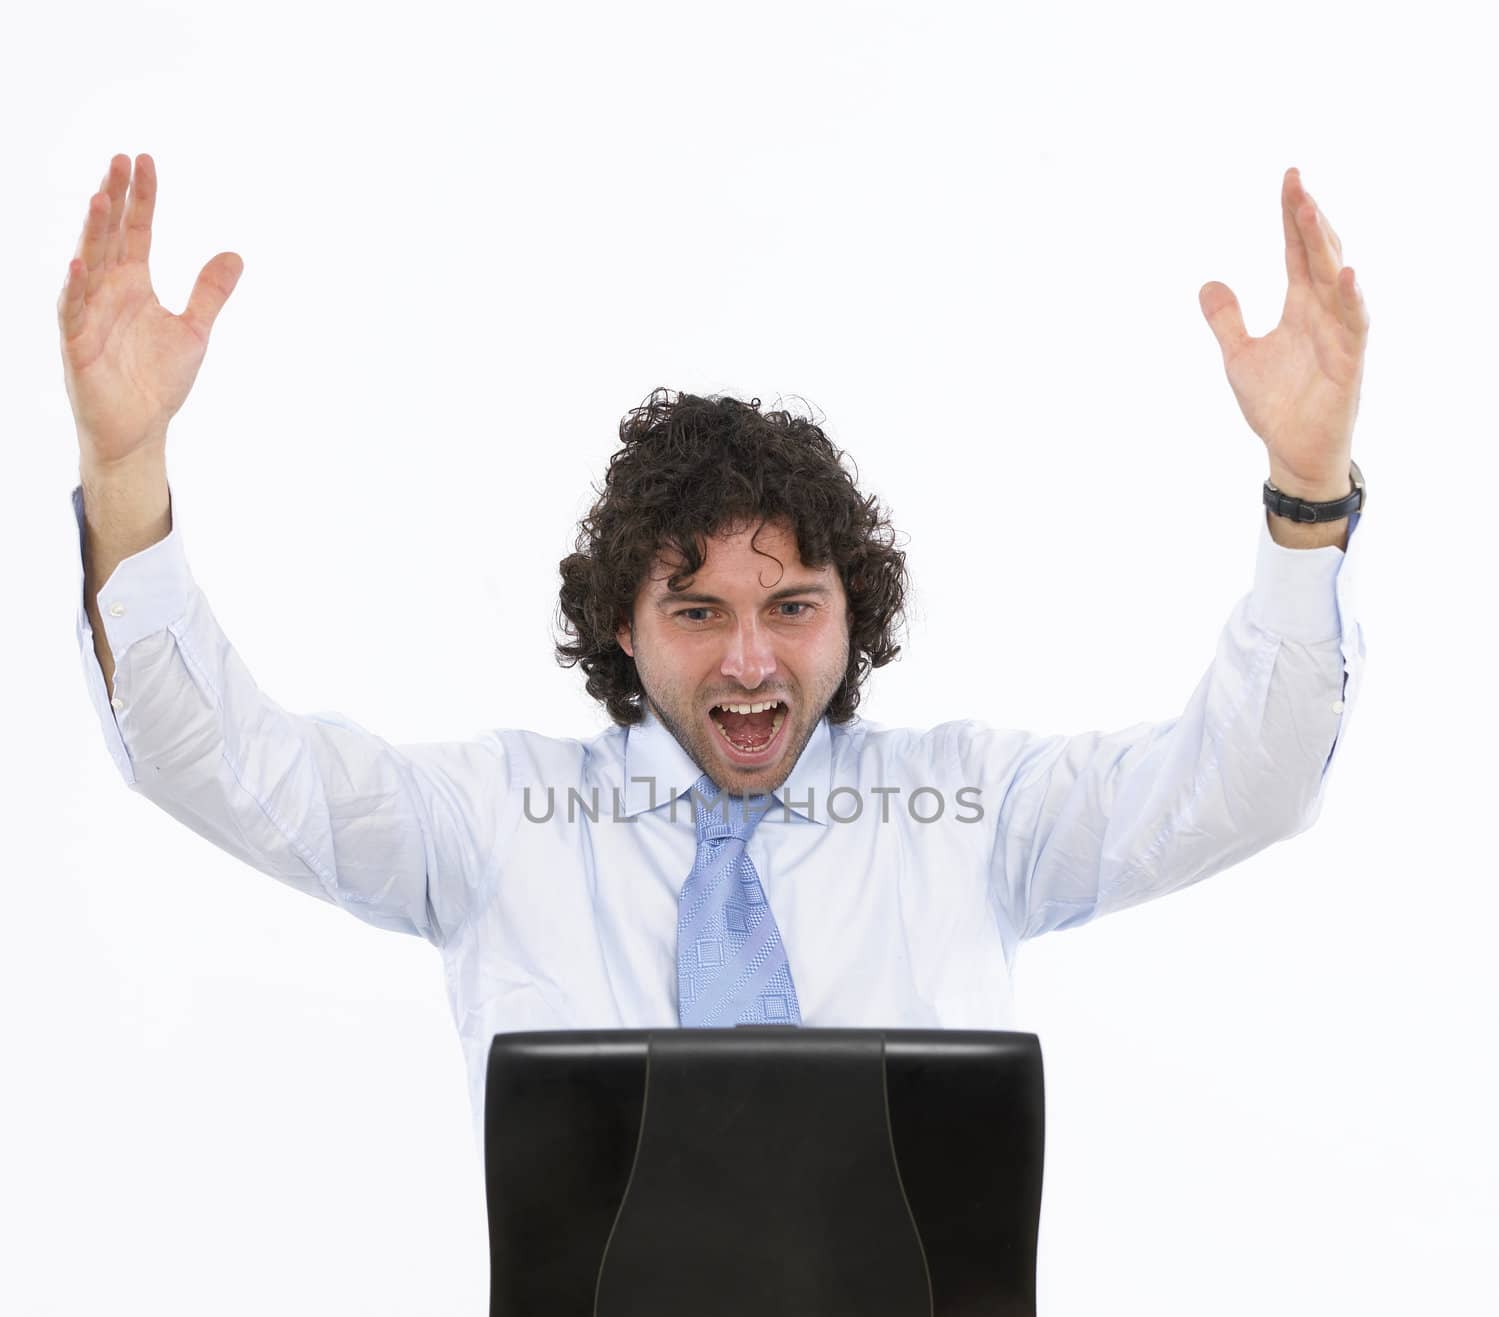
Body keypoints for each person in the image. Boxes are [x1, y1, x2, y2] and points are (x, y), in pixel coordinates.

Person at [61, 154, 1369, 1157]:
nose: (750, 659)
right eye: (696, 613)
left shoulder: (979, 814)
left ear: (853, 615)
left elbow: (1241, 783)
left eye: (792, 606)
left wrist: (1306, 495)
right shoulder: (492, 823)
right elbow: (225, 767)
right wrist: (126, 472)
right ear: (622, 630)